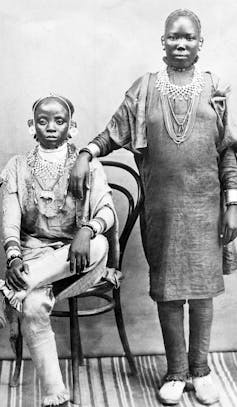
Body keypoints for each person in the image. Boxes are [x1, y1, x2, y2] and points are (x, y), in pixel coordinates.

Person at [69, 9, 237, 406]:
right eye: (174, 38)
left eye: (189, 38)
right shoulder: (144, 89)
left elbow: (230, 152)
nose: (181, 44)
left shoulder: (217, 89)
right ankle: (176, 373)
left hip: (206, 206)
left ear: (201, 43)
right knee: (168, 293)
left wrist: (233, 204)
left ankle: (202, 370)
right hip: (161, 208)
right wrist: (85, 154)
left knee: (201, 294)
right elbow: (113, 133)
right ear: (162, 42)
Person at [0, 94, 120, 407]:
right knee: (33, 306)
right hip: (35, 258)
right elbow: (10, 221)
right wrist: (13, 257)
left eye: (59, 121)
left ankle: (8, 293)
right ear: (31, 126)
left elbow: (106, 211)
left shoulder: (87, 166)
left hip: (77, 260)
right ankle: (57, 398)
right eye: (43, 121)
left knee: (100, 242)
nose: (51, 127)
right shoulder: (16, 166)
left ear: (72, 127)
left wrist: (86, 230)